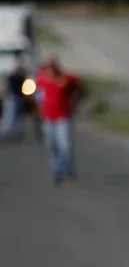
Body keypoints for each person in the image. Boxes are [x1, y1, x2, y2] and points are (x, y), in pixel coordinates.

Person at [34, 57, 83, 185]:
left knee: (64, 145)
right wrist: (37, 107)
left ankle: (67, 171)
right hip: (48, 118)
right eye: (48, 67)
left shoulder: (65, 78)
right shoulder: (42, 78)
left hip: (62, 117)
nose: (50, 70)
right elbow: (32, 90)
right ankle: (56, 171)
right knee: (52, 145)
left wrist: (74, 104)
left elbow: (78, 87)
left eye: (52, 67)